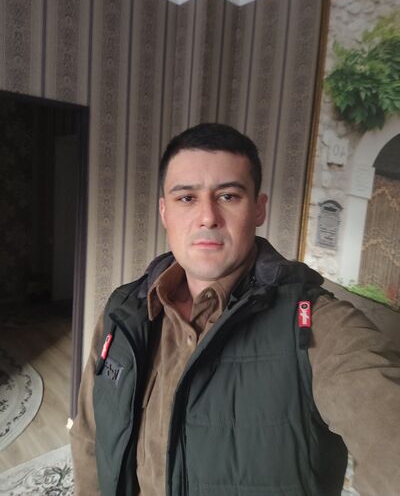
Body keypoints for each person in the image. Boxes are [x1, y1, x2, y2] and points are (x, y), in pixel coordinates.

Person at [70, 123, 400, 496]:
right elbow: (90, 435)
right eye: (186, 198)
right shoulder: (122, 310)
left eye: (228, 196)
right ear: (164, 212)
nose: (207, 216)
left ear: (258, 209)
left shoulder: (319, 326)